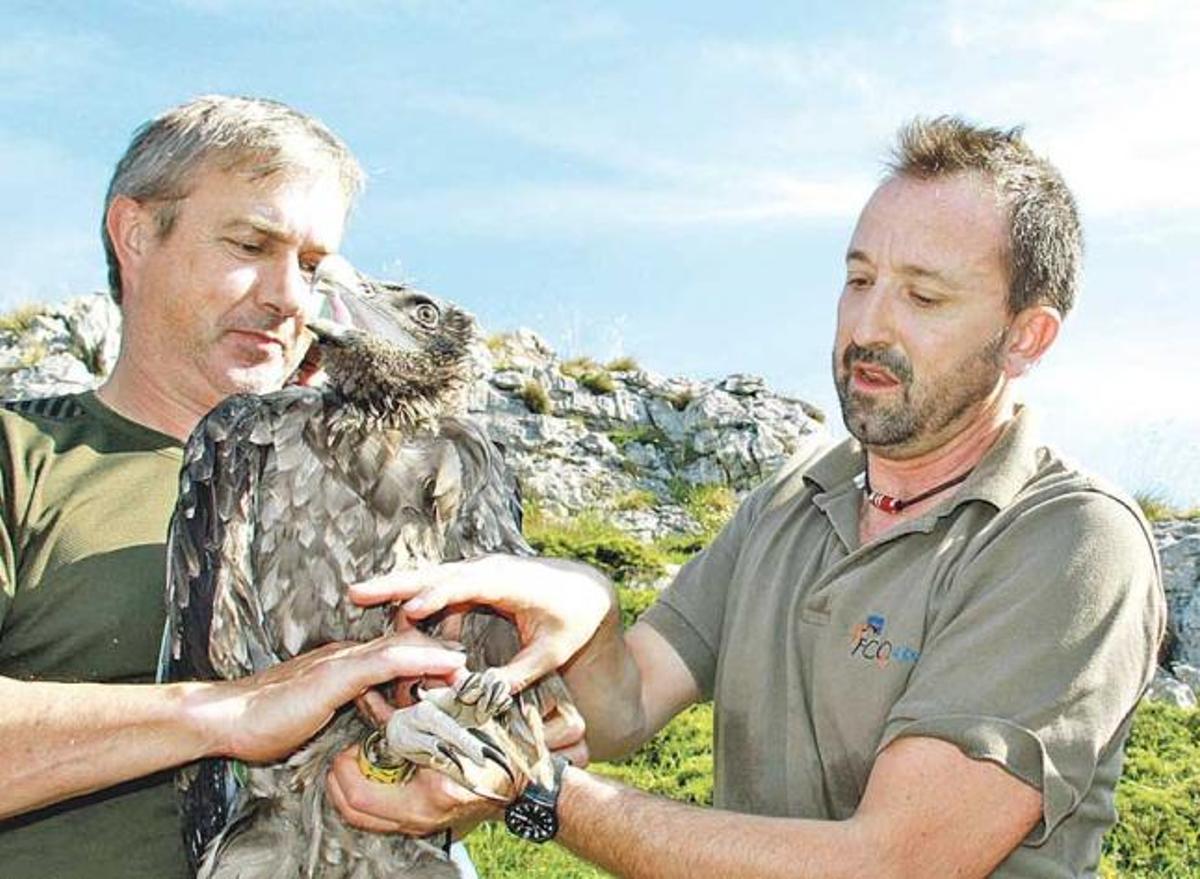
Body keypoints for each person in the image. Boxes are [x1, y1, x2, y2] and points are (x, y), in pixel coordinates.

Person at [330, 117, 1165, 877]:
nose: (868, 325)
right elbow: (625, 708)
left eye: (924, 295)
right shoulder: (793, 498)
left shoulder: (1071, 541)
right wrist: (579, 606)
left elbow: (892, 865)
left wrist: (530, 790)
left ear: (1027, 336)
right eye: (859, 278)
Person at [0, 96, 477, 878]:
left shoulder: (404, 478)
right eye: (252, 244)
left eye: (314, 267)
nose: (291, 297)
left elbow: (583, 727)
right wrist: (230, 711)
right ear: (135, 233)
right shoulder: (22, 458)